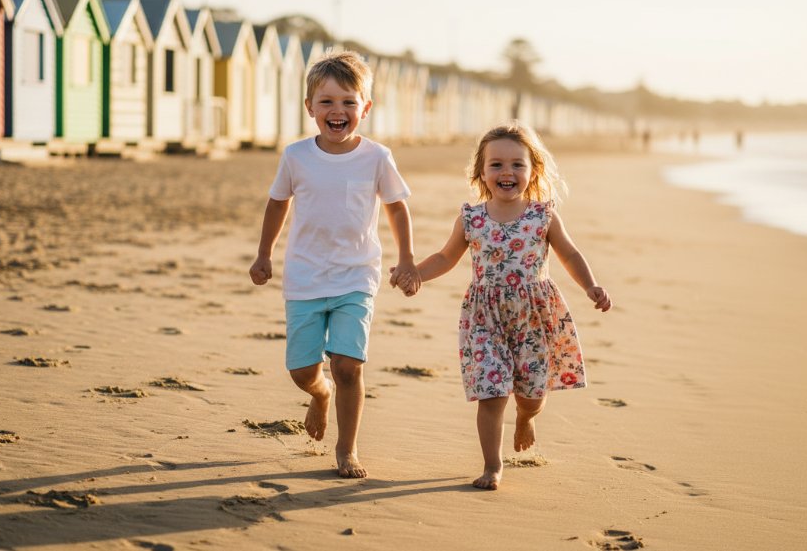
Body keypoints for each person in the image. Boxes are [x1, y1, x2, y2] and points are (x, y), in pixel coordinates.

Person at [393, 121, 612, 490]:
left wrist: (590, 285)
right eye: (496, 164)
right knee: (492, 393)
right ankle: (493, 465)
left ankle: (526, 418)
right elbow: (446, 257)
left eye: (516, 164)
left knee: (531, 395)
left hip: (534, 316)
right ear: (481, 171)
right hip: (485, 318)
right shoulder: (472, 218)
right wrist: (415, 273)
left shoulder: (543, 215)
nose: (506, 172)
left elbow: (570, 254)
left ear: (533, 170)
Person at [249, 51, 419, 479]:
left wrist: (407, 260)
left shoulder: (377, 157)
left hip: (356, 275)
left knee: (348, 365)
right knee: (303, 370)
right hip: (305, 275)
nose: (337, 111)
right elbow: (277, 203)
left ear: (365, 107)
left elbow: (397, 209)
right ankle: (319, 394)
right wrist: (264, 253)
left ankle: (347, 449)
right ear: (310, 108)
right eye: (326, 102)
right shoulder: (296, 156)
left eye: (348, 101)